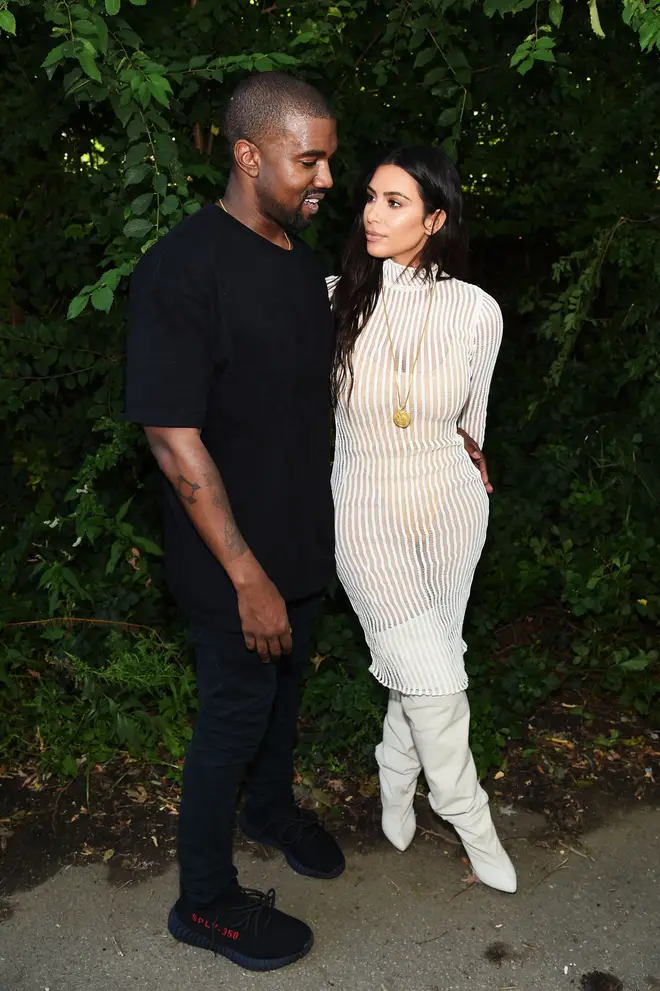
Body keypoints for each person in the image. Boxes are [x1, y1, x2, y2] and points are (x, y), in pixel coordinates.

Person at [125, 72, 344, 972]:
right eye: (310, 160)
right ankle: (205, 903)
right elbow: (175, 445)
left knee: (283, 704)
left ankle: (271, 809)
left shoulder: (294, 260)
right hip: (233, 567)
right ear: (249, 156)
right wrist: (249, 578)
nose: (326, 177)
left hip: (301, 549)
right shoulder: (183, 269)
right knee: (231, 722)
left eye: (331, 158)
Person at [329, 146, 517, 894]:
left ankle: (395, 767)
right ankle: (469, 815)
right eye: (371, 197)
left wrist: (476, 476)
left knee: (431, 658)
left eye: (396, 202)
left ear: (435, 220)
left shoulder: (478, 310)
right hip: (365, 503)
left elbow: (476, 423)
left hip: (449, 503)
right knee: (436, 674)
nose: (373, 213)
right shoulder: (332, 300)